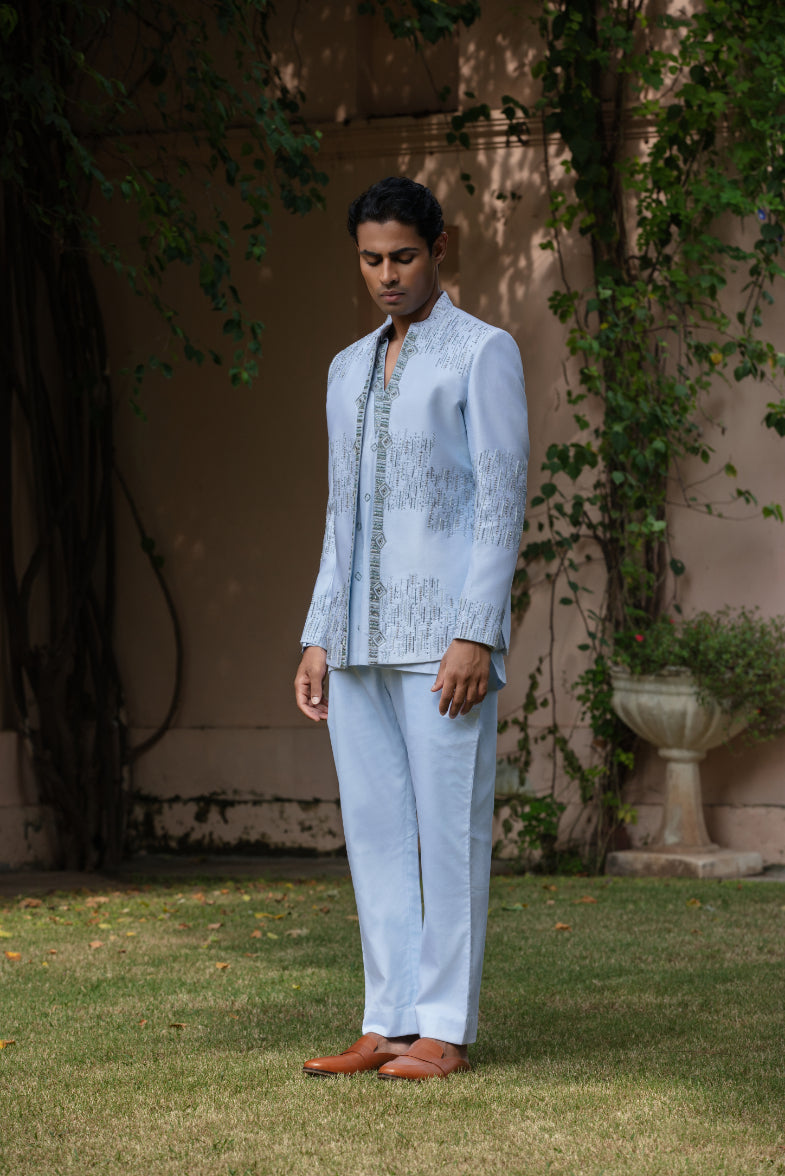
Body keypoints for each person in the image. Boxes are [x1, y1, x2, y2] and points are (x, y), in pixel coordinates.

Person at [294, 176, 528, 1080]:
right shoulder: (344, 368)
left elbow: (500, 502)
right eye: (370, 260)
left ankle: (444, 1028)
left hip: (442, 643)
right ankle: (386, 1020)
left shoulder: (482, 353)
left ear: (439, 249)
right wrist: (318, 635)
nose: (386, 275)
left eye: (402, 257)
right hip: (355, 641)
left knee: (449, 834)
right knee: (377, 834)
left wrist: (476, 632)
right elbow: (339, 514)